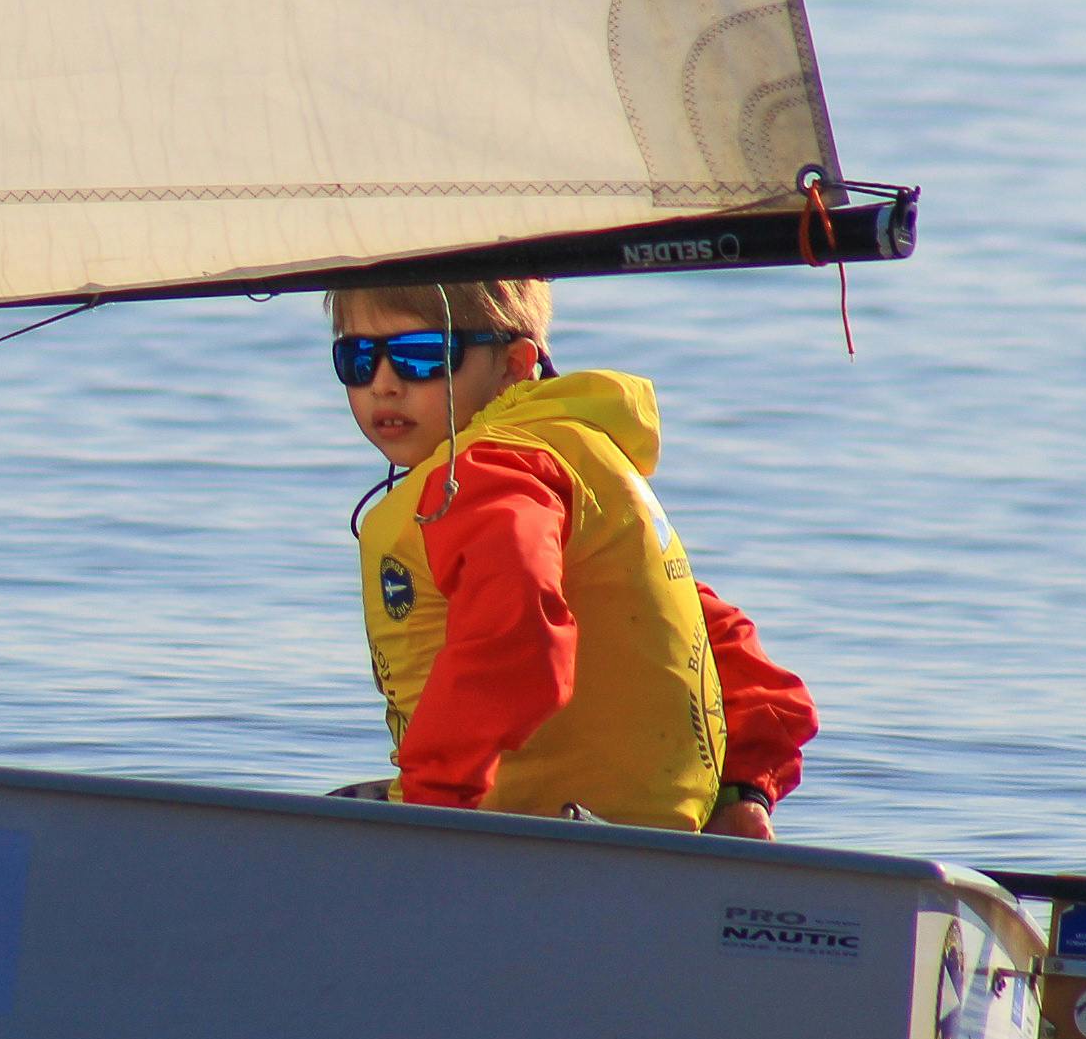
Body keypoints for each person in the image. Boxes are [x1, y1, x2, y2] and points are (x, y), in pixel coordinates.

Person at [334, 277, 815, 834]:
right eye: (358, 358)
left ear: (515, 364)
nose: (384, 385)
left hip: (542, 844)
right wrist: (743, 793)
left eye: (423, 356)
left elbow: (517, 638)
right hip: (650, 840)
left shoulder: (487, 477)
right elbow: (727, 645)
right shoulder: (573, 463)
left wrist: (432, 804)